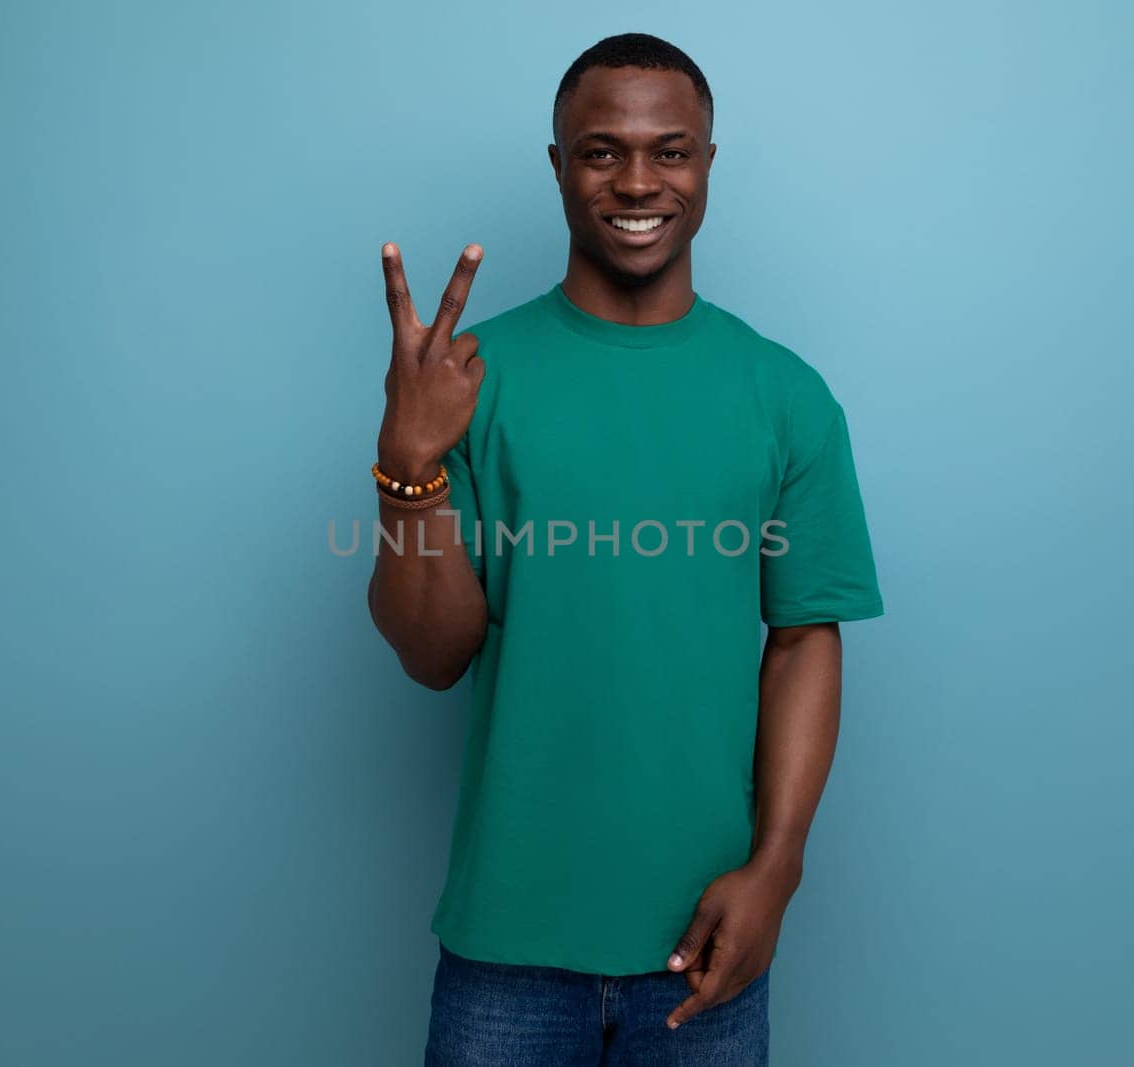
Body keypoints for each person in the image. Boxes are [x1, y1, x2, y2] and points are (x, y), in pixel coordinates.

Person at [367, 32, 884, 1065]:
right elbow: (432, 655)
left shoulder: (783, 394)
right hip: (504, 943)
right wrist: (405, 461)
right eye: (600, 151)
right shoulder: (472, 380)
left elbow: (801, 640)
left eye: (671, 149)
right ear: (557, 167)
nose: (637, 180)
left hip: (705, 943)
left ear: (706, 163)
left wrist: (776, 865)